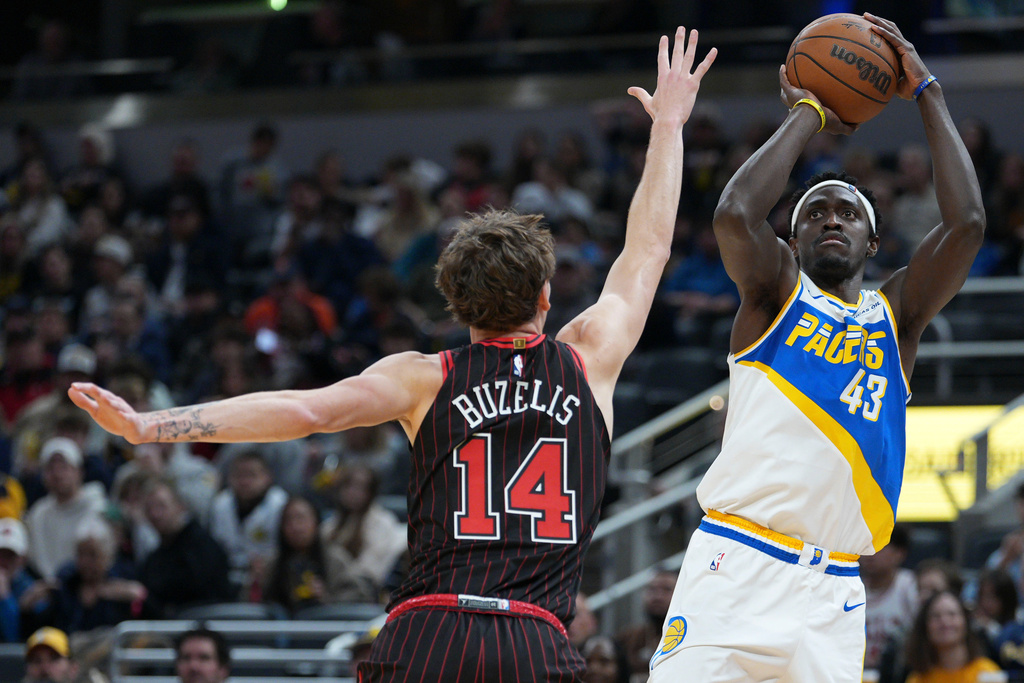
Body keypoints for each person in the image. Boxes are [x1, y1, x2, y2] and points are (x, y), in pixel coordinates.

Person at [67, 28, 717, 682]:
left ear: (455, 306)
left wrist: (152, 424)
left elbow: (302, 410)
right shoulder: (589, 357)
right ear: (547, 295)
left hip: (428, 633)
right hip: (532, 637)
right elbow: (648, 250)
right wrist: (667, 126)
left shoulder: (424, 378)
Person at [648, 13, 985, 683]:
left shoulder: (896, 317)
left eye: (848, 212)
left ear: (873, 241)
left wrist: (929, 93)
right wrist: (809, 111)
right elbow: (734, 215)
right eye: (814, 213)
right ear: (793, 241)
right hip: (737, 564)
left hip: (835, 589)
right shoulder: (774, 293)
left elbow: (968, 222)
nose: (832, 218)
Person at [904, 591, 1002, 683]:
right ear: (925, 627)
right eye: (936, 616)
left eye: (952, 614)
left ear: (965, 622)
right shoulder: (917, 679)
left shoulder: (988, 673)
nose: (945, 622)